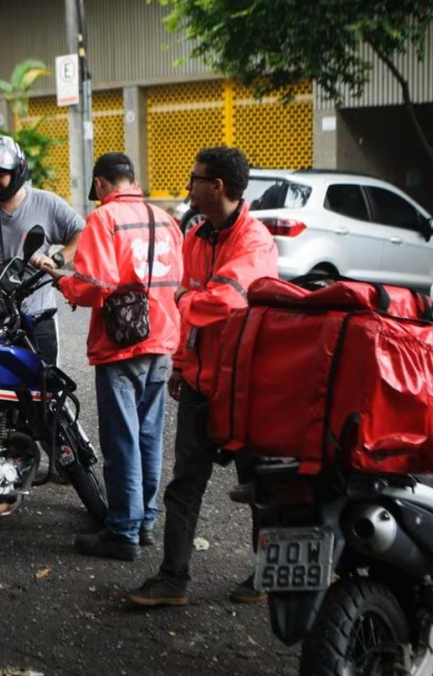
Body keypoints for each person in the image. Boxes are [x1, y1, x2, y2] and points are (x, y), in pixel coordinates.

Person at [128, 146, 279, 606]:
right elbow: (196, 315)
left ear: (216, 187)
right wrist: (178, 364)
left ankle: (267, 577)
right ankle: (174, 579)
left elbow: (228, 298)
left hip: (247, 388)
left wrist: (181, 303)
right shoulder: (197, 237)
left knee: (262, 488)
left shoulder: (255, 241)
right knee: (185, 484)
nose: (188, 186)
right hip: (200, 382)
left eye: (195, 179)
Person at [33, 152, 182, 561]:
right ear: (131, 180)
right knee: (149, 438)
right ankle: (145, 521)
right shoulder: (165, 218)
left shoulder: (105, 219)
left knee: (121, 443)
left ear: (101, 184)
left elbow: (96, 285)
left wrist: (60, 281)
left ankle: (122, 532)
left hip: (122, 345)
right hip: (163, 339)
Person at [0, 135, 84, 365]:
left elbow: (83, 234)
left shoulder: (47, 204)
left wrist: (58, 259)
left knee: (44, 391)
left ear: (17, 171)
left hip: (38, 319)